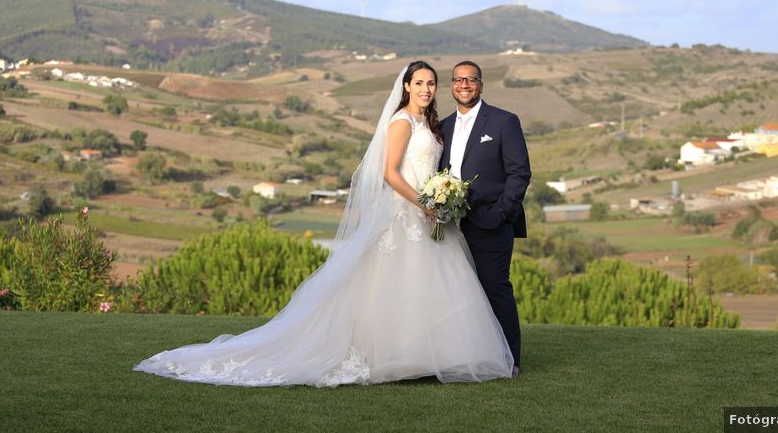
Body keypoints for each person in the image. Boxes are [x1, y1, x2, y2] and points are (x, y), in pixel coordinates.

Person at [134, 61, 514, 387]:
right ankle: (392, 355)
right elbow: (388, 172)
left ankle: (428, 356)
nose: (427, 89)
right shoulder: (401, 122)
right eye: (420, 83)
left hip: (429, 216)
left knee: (430, 289)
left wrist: (437, 200)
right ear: (406, 87)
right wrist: (424, 203)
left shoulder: (429, 123)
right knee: (397, 287)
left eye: (431, 83)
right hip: (406, 212)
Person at [439, 60, 531, 379]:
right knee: (459, 293)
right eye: (458, 80)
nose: (464, 85)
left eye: (471, 80)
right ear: (451, 85)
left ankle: (510, 360)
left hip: (492, 223)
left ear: (481, 84)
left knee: (495, 289)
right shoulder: (444, 126)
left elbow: (520, 172)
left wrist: (503, 211)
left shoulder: (504, 122)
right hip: (450, 226)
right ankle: (468, 354)